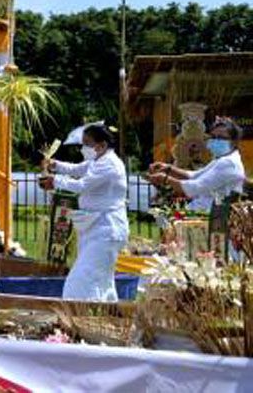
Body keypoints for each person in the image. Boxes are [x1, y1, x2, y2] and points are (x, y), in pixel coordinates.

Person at [40, 123, 129, 302]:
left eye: (87, 143)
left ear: (102, 145)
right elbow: (76, 169)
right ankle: (105, 315)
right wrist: (54, 165)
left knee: (82, 279)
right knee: (102, 280)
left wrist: (55, 181)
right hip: (96, 227)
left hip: (106, 229)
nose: (83, 148)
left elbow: (82, 185)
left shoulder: (109, 164)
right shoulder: (98, 160)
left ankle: (78, 313)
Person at [148, 117, 246, 209]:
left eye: (220, 137)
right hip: (204, 210)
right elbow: (195, 175)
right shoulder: (222, 160)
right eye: (213, 136)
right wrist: (169, 169)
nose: (215, 140)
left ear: (234, 142)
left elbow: (196, 187)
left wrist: (165, 179)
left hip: (212, 216)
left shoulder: (228, 163)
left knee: (162, 217)